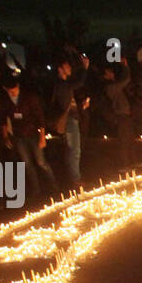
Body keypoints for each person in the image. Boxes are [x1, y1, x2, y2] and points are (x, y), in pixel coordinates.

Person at [0, 74, 57, 199]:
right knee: (27, 163)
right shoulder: (4, 100)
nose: (12, 93)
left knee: (41, 162)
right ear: (5, 89)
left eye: (14, 90)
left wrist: (42, 137)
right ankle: (36, 190)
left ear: (18, 86)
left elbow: (40, 118)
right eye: (9, 91)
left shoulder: (29, 97)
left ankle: (53, 187)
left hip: (33, 133)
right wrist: (6, 136)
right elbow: (2, 120)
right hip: (19, 136)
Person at [51, 54, 89, 187]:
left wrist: (81, 106)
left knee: (71, 149)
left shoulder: (63, 84)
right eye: (67, 66)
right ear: (60, 69)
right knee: (75, 149)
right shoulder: (62, 84)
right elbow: (79, 82)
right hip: (69, 120)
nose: (70, 68)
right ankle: (75, 179)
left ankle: (72, 175)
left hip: (71, 119)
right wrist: (84, 68)